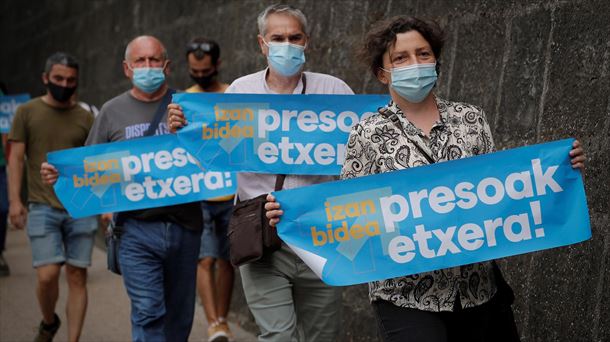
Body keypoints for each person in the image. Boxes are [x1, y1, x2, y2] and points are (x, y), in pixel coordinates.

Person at [266, 16, 586, 342]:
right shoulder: (367, 134)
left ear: (436, 61)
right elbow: (348, 217)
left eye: (423, 54)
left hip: (478, 289)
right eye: (401, 58)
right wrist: (294, 217)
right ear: (382, 72)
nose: (415, 64)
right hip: (405, 297)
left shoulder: (470, 119)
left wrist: (561, 169)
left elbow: (505, 191)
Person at [168, 4, 353, 341]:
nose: (287, 44)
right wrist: (184, 133)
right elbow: (209, 156)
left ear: (307, 41)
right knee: (278, 335)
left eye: (294, 37)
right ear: (261, 44)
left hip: (321, 239)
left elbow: (360, 157)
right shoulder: (239, 92)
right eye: (277, 37)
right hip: (262, 237)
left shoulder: (335, 91)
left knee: (323, 335)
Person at [42, 36, 203, 342]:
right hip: (135, 230)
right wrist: (59, 174)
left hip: (186, 226)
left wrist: (190, 130)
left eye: (154, 60)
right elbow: (88, 169)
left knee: (180, 316)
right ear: (127, 69)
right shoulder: (111, 112)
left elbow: (219, 156)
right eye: (140, 61)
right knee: (148, 313)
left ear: (167, 66)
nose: (147, 67)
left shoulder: (191, 106)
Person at [8, 52, 97, 342]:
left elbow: (95, 162)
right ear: (45, 78)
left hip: (80, 207)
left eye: (71, 80)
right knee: (47, 276)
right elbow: (16, 158)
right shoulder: (27, 112)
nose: (65, 84)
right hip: (42, 205)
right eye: (58, 78)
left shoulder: (86, 117)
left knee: (77, 276)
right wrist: (15, 201)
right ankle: (49, 321)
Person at [184, 37, 234, 342]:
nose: (200, 76)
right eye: (194, 71)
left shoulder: (234, 94)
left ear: (216, 65)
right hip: (198, 193)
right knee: (204, 259)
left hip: (232, 191)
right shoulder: (183, 101)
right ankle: (213, 322)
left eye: (205, 71)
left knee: (228, 260)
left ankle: (223, 319)